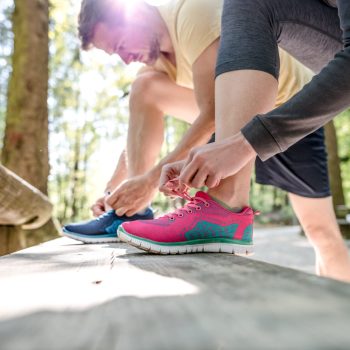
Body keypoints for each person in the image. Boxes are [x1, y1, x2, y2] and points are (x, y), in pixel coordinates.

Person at [64, 0, 349, 281]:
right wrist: (116, 192)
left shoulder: (192, 14)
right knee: (144, 87)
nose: (125, 58)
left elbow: (213, 114)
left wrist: (151, 181)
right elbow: (139, 135)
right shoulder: (156, 62)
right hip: (236, 129)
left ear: (134, 12)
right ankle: (132, 213)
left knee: (321, 232)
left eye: (121, 45)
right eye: (116, 55)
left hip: (289, 109)